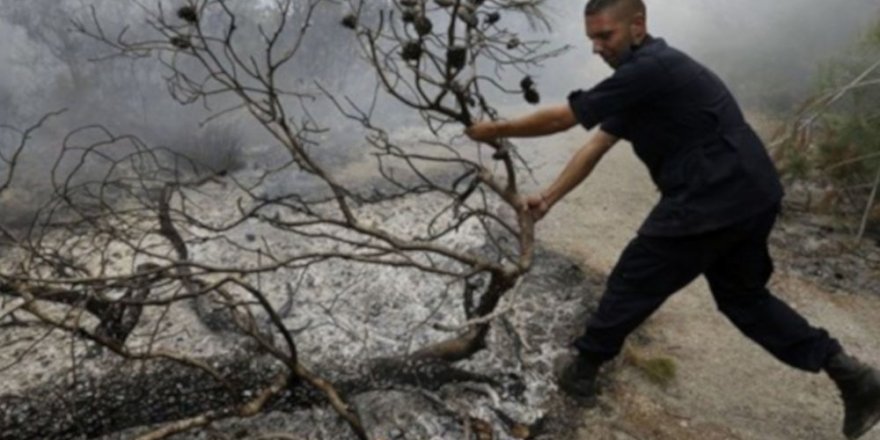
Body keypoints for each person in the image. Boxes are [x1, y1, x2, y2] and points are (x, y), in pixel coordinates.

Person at [465, 0, 880, 438]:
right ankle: (852, 376)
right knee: (744, 299)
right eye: (591, 38)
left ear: (637, 25)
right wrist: (549, 197)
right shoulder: (641, 81)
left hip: (712, 194)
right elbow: (595, 146)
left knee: (635, 276)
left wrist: (494, 129)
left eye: (605, 35)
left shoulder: (652, 68)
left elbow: (565, 119)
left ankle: (582, 371)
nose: (597, 47)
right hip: (751, 192)